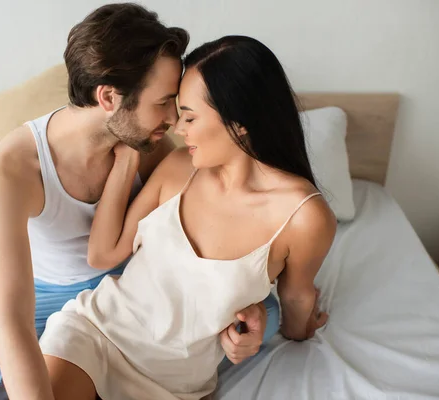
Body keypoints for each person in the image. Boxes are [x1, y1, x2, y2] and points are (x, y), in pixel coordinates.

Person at [0, 5, 277, 400]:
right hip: (49, 292)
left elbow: (212, 223)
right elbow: (13, 320)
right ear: (109, 97)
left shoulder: (153, 142)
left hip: (134, 278)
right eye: (163, 102)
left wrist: (252, 306)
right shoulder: (11, 171)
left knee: (268, 315)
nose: (174, 118)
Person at [39, 35, 336, 400]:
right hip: (97, 332)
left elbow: (295, 297)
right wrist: (131, 153)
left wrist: (296, 331)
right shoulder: (180, 167)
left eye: (190, 117)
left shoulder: (304, 217)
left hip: (176, 381)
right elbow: (102, 255)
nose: (179, 129)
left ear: (239, 122)